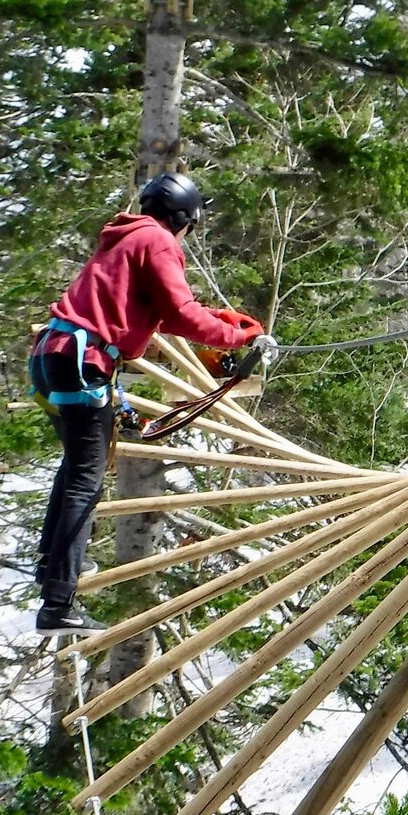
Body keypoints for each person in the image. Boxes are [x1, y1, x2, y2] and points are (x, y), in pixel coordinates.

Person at [29, 173, 263, 637]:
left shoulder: (126, 238)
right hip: (82, 358)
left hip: (58, 355)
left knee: (76, 467)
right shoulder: (157, 241)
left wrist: (215, 318)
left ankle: (50, 566)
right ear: (184, 219)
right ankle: (58, 599)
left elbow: (141, 306)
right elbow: (177, 314)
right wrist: (236, 335)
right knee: (85, 480)